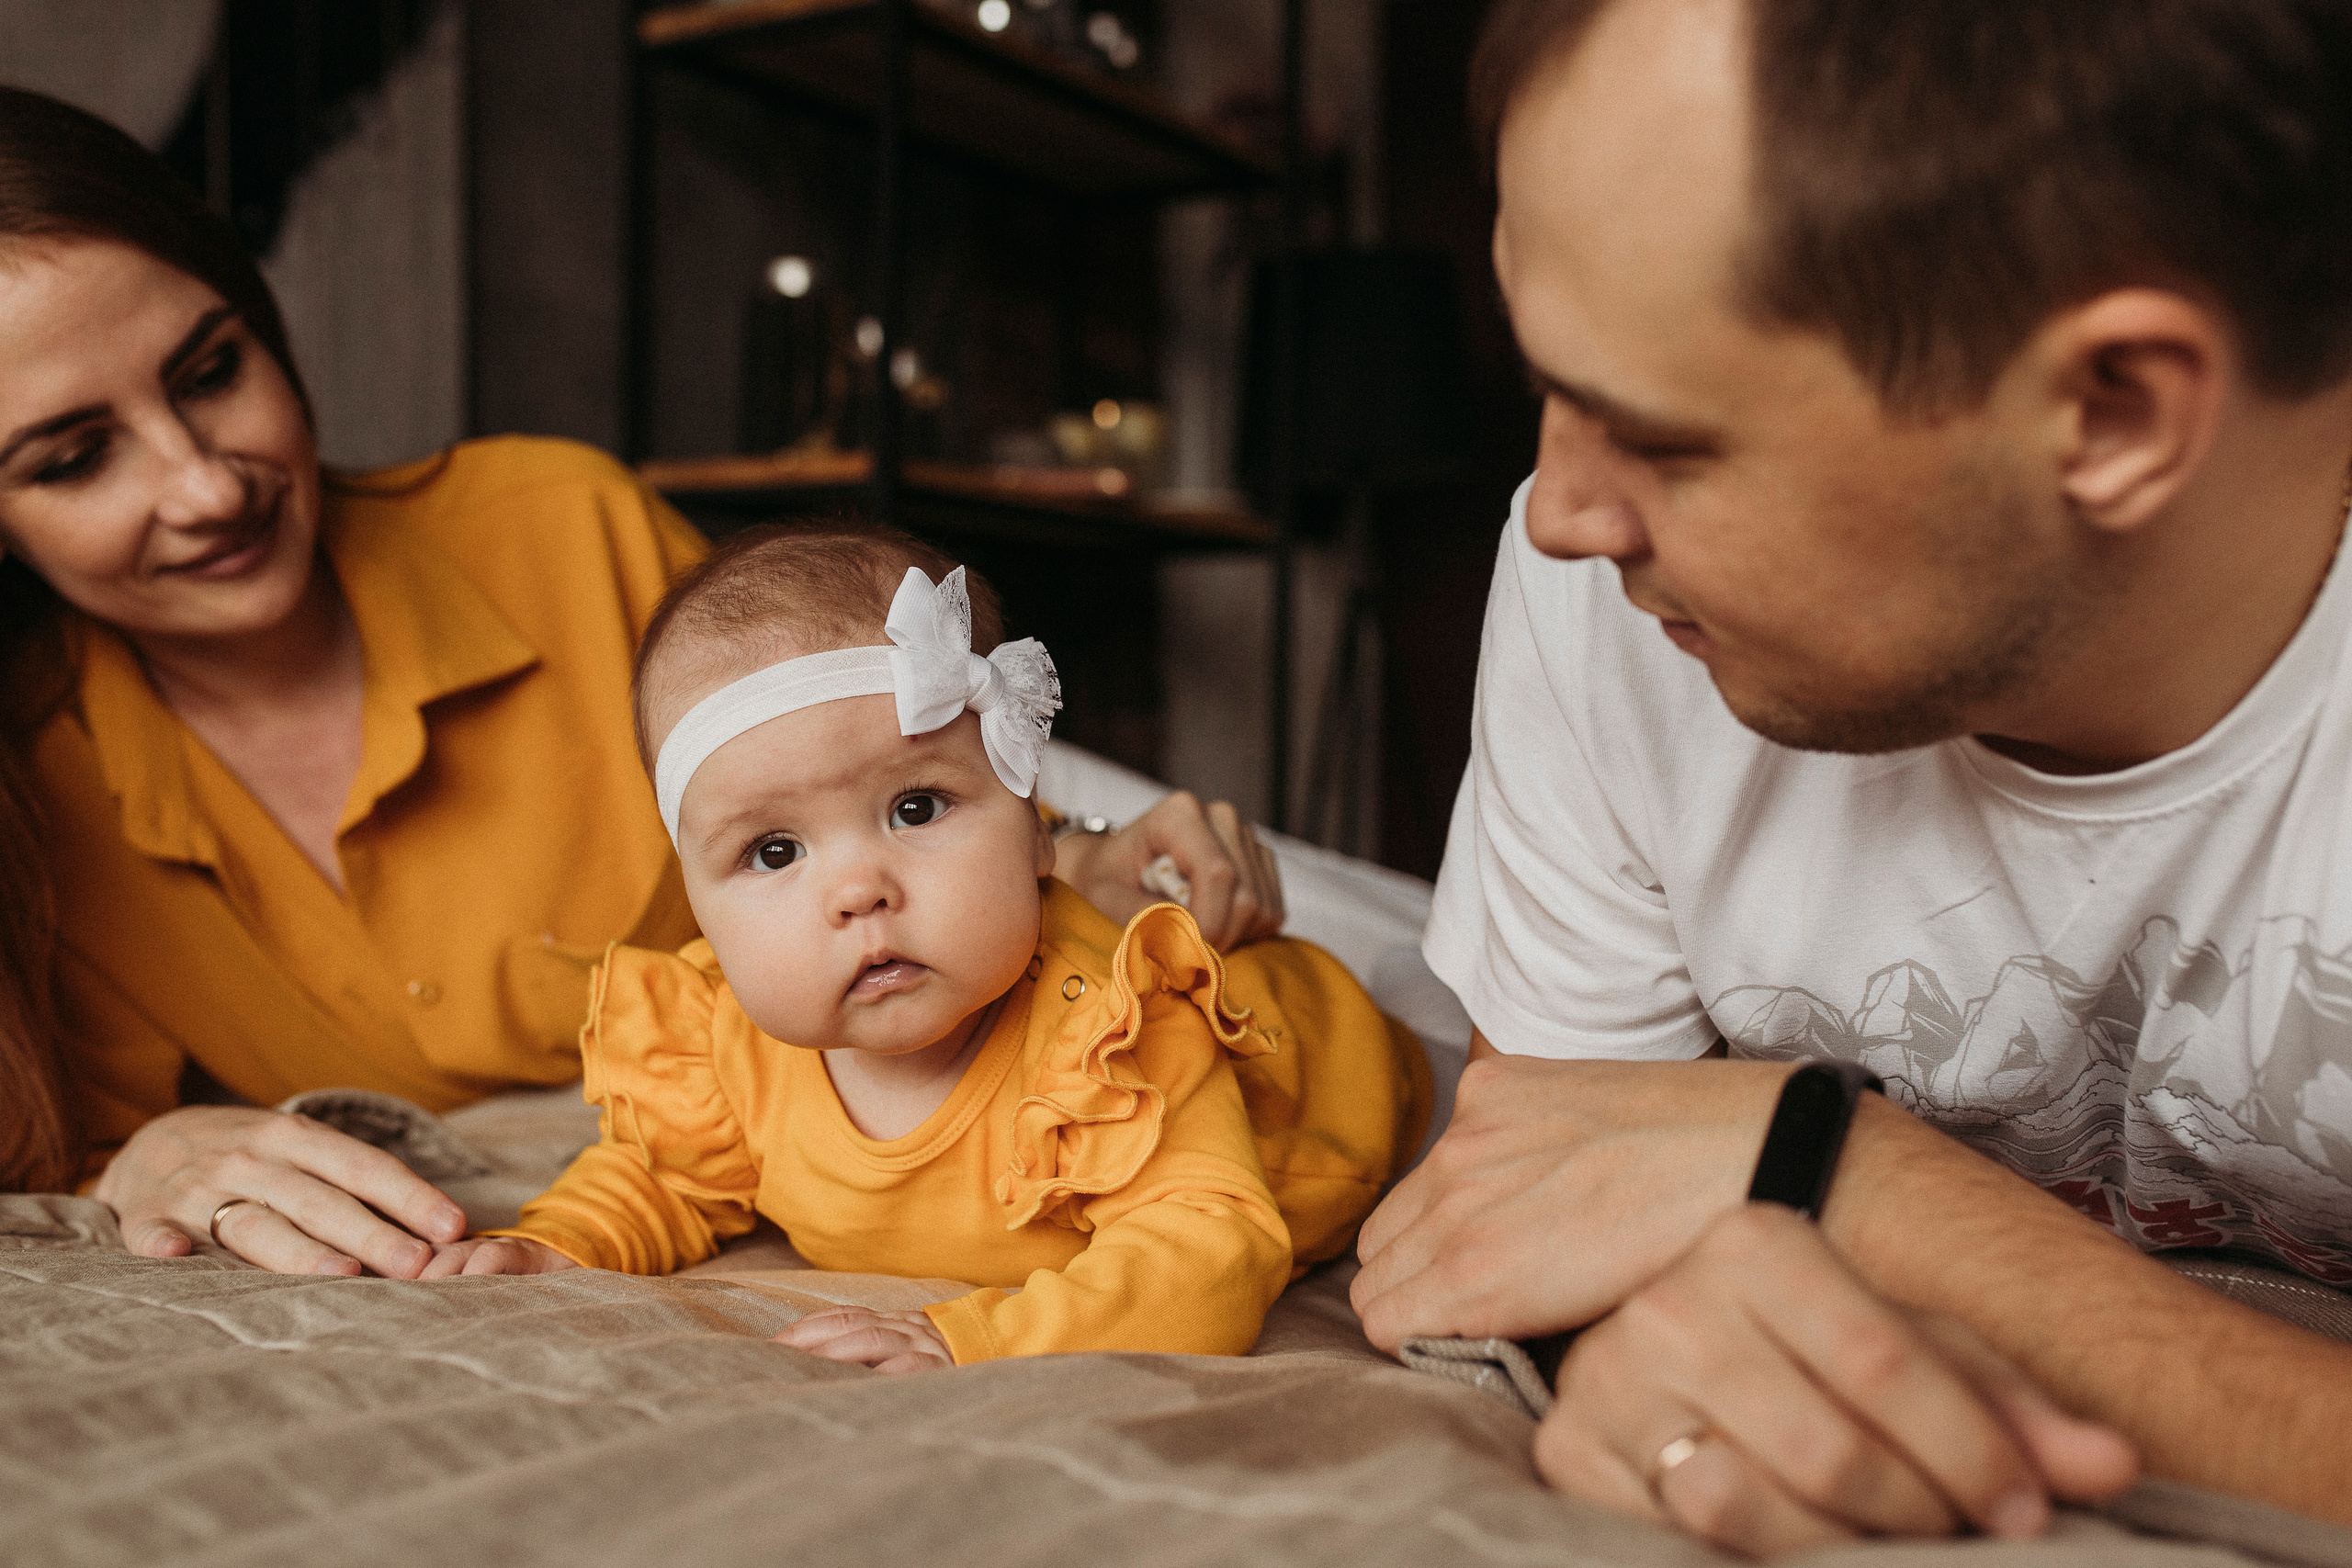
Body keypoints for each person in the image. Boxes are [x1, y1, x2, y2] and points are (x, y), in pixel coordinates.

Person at [1350, 0, 2352, 1555]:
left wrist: (1844, 1173)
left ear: (2116, 411)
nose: (1558, 512)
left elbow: (1698, 1174)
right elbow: (1535, 1206)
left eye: (1663, 438)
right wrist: (1630, 1347)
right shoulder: (1617, 600)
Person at [0, 85, 1286, 1279]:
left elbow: (892, 787)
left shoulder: (566, 529)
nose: (204, 483)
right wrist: (140, 1161)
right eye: (73, 458)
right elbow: (72, 1139)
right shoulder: (32, 779)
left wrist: (1081, 868)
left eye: (212, 370)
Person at [426, 530, 1428, 1374]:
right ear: (694, 900)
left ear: (1040, 832)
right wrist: (557, 1244)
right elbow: (658, 1176)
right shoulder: (727, 1051)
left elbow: (1208, 1252)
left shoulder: (1112, 1035)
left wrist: (975, 1339)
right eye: (774, 852)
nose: (859, 889)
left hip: (1335, 1066)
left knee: (1427, 980)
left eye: (916, 807)